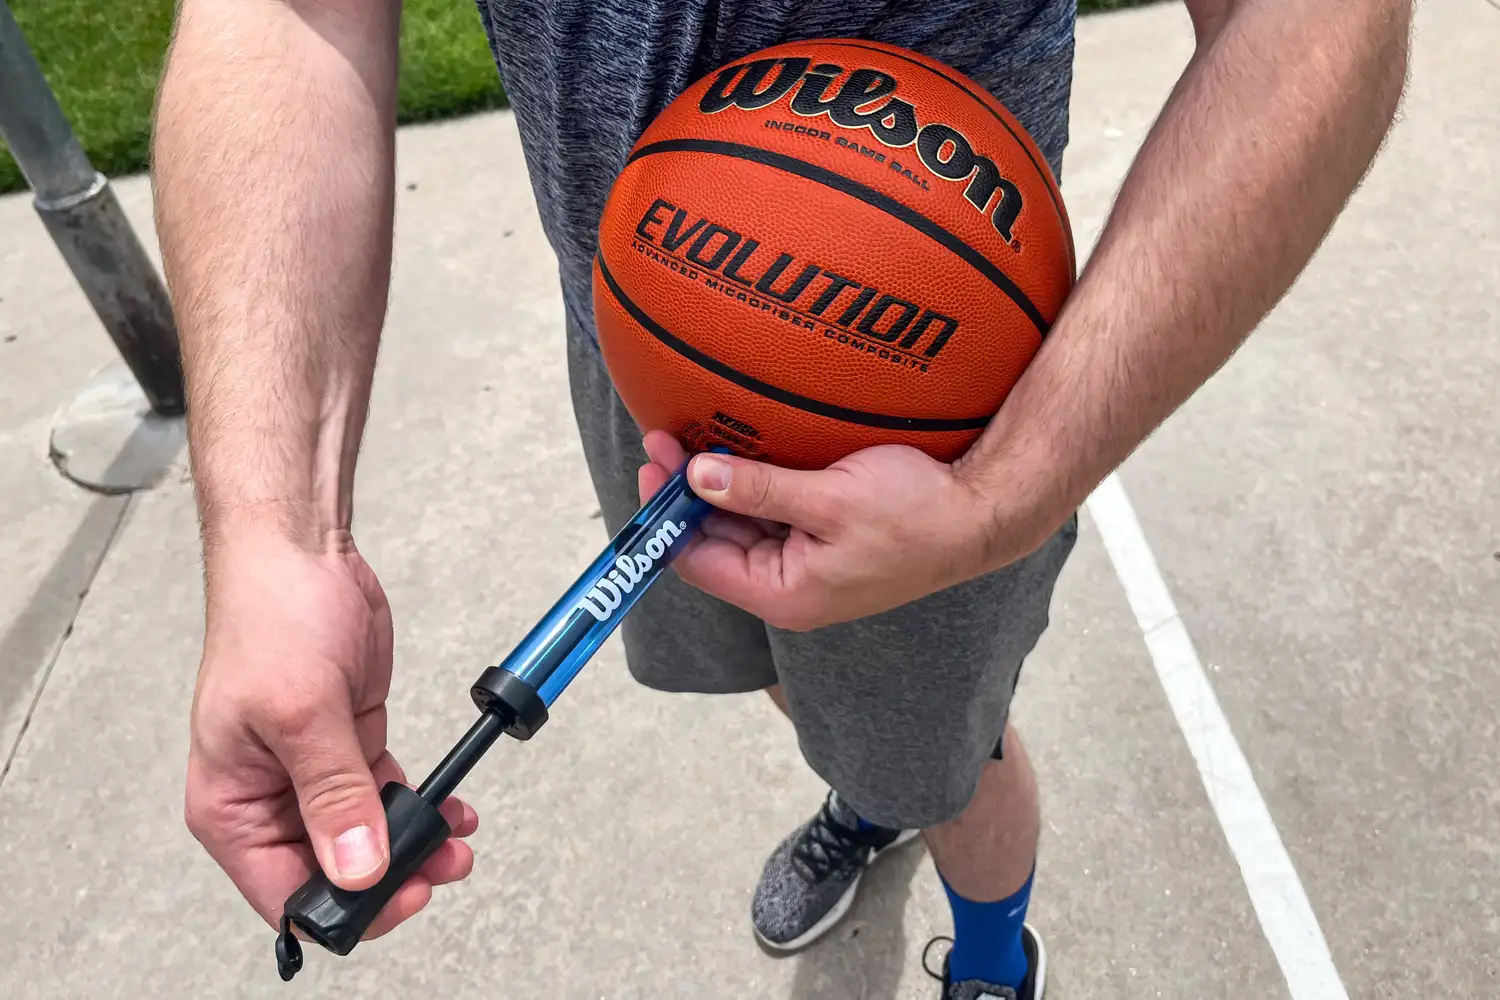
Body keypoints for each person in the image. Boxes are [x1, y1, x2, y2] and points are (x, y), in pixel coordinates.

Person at [152, 1, 1409, 996]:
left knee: (953, 762)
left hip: (932, 429)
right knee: (775, 662)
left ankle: (989, 953)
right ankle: (861, 790)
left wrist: (1001, 496)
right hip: (639, 339)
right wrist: (278, 534)